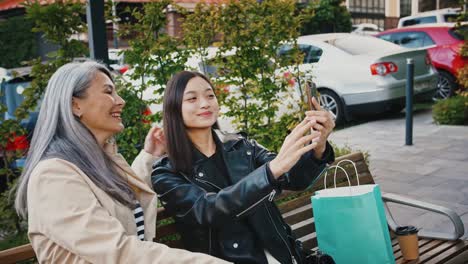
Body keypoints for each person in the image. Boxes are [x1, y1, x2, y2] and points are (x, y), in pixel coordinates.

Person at [14, 61, 229, 263]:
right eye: (108, 92)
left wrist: (149, 156)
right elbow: (118, 250)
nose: (121, 101)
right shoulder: (53, 176)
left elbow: (117, 199)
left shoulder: (99, 160)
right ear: (75, 105)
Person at [152, 71, 335, 264]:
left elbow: (294, 179)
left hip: (283, 256)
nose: (205, 103)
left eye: (210, 95)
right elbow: (207, 210)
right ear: (173, 108)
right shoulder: (166, 173)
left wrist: (319, 146)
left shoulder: (241, 145)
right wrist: (270, 171)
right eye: (192, 98)